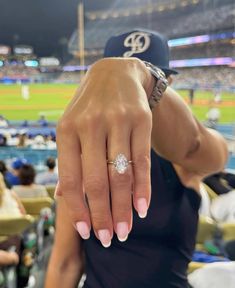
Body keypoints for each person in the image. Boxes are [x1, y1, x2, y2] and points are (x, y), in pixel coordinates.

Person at [46, 30, 228, 288]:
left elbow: (195, 146)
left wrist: (143, 78)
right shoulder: (85, 157)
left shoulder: (184, 159)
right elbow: (65, 263)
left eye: (162, 81)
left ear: (170, 85)